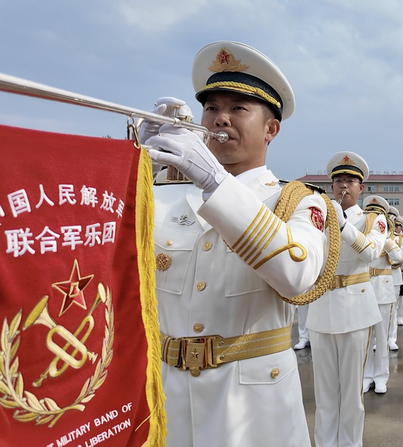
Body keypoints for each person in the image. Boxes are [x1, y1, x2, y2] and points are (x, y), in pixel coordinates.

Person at [143, 41, 332, 447]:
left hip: (254, 405)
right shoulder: (160, 196)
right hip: (167, 396)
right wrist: (133, 165)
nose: (220, 119)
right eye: (211, 108)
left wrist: (215, 181)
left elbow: (297, 276)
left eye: (238, 109)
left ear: (271, 129)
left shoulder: (296, 200)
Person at [306, 152, 386, 447]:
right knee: (324, 393)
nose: (343, 187)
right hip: (321, 307)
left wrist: (342, 225)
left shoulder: (371, 220)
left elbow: (371, 253)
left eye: (350, 181)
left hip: (355, 309)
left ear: (360, 188)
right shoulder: (316, 219)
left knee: (351, 394)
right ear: (331, 186)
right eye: (338, 181)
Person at [362, 195, 403, 393]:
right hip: (363, 288)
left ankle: (380, 376)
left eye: (377, 214)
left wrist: (387, 242)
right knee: (365, 337)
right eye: (370, 213)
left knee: (381, 336)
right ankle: (366, 374)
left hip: (383, 289)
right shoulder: (361, 235)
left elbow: (398, 258)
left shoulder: (390, 238)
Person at [387, 206, 403, 351]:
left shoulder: (399, 238)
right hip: (374, 277)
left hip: (393, 275)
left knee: (391, 309)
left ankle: (391, 338)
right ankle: (376, 339)